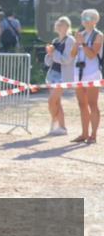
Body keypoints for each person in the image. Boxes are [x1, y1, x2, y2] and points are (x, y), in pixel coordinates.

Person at [70, 9, 102, 144]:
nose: (85, 20)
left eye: (88, 18)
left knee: (92, 104)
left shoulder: (99, 35)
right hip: (78, 73)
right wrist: (77, 43)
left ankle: (93, 135)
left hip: (92, 73)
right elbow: (72, 55)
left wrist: (83, 43)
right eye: (83, 18)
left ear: (95, 20)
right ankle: (84, 134)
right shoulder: (80, 34)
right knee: (81, 104)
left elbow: (92, 54)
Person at [44, 16, 76, 136]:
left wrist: (54, 52)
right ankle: (61, 127)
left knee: (52, 100)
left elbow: (67, 60)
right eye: (57, 22)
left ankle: (55, 121)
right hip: (52, 74)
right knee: (56, 102)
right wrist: (49, 53)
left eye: (61, 23)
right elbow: (48, 62)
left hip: (63, 76)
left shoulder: (70, 40)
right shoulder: (55, 40)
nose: (58, 24)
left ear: (67, 27)